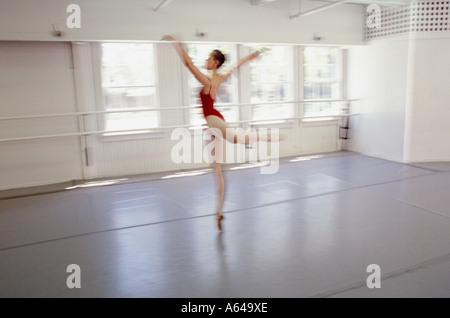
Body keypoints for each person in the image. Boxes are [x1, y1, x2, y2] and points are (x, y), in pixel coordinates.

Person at [162, 35, 264, 231]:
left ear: (215, 62)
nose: (205, 61)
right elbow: (235, 65)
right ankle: (218, 211)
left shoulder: (208, 81)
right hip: (214, 121)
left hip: (214, 121)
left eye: (209, 58)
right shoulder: (219, 77)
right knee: (217, 168)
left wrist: (176, 43)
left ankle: (260, 137)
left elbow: (188, 63)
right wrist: (250, 57)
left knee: (232, 144)